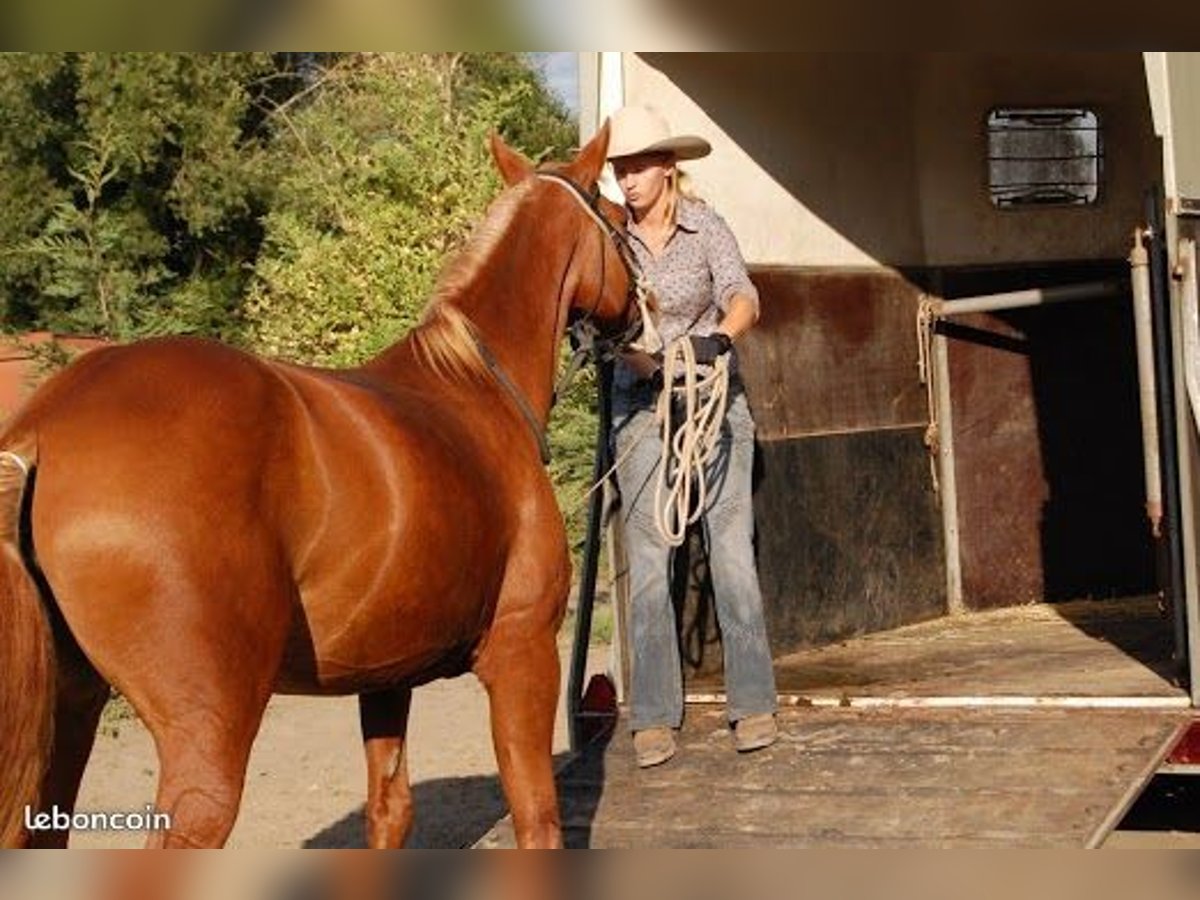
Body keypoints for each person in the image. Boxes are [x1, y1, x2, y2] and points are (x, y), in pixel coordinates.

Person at [606, 104, 778, 768]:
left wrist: (717, 340)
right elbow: (598, 323)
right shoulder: (612, 240)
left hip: (713, 403)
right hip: (640, 409)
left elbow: (743, 296)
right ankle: (652, 717)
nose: (627, 177)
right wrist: (634, 358)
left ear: (668, 167)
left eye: (638, 165)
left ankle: (754, 703)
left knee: (729, 548)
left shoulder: (707, 227)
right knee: (650, 560)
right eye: (620, 167)